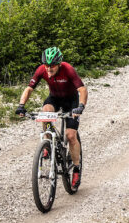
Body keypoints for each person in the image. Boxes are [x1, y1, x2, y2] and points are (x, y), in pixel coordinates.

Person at [16, 47, 87, 189]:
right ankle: (48, 142)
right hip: (55, 98)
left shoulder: (68, 69)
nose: (48, 68)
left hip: (71, 101)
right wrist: (21, 105)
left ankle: (77, 169)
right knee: (45, 112)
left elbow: (82, 89)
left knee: (71, 135)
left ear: (59, 63)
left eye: (52, 65)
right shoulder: (41, 70)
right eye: (46, 65)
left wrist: (81, 106)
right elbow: (29, 88)